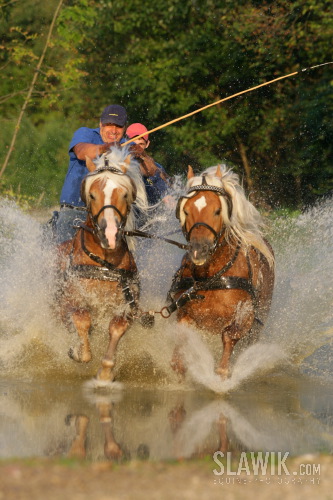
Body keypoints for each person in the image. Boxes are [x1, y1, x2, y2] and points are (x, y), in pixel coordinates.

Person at [52, 104, 128, 243]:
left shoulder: (126, 144)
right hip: (75, 210)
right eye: (109, 125)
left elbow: (144, 171)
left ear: (124, 128)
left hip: (109, 215)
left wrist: (141, 155)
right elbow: (81, 151)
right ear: (100, 124)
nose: (114, 131)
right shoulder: (86, 133)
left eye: (118, 126)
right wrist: (105, 148)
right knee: (61, 256)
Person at [125, 123, 172, 206]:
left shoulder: (157, 167)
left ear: (147, 144)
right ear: (125, 142)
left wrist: (168, 199)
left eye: (141, 144)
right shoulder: (120, 165)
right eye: (133, 144)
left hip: (151, 215)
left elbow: (165, 192)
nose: (137, 148)